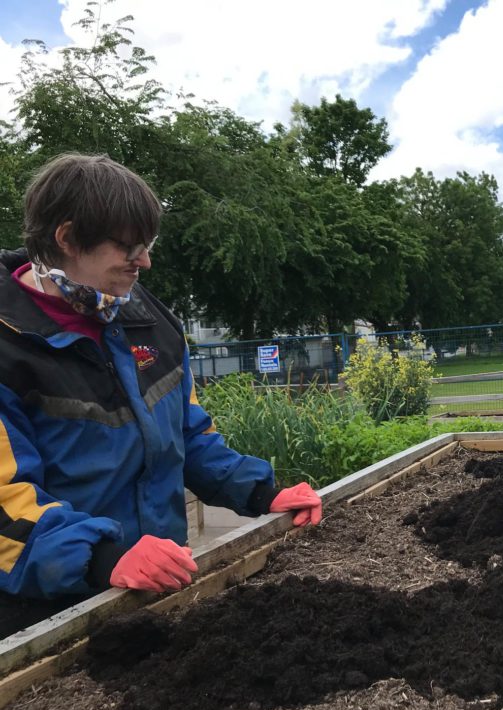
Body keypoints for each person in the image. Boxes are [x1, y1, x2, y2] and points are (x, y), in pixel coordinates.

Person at [0, 153, 322, 612]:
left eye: (147, 245)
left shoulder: (148, 320)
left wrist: (261, 492)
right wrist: (103, 557)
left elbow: (188, 436)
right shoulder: (9, 346)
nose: (144, 262)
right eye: (129, 247)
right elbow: (6, 504)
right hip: (53, 611)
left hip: (158, 586)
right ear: (68, 238)